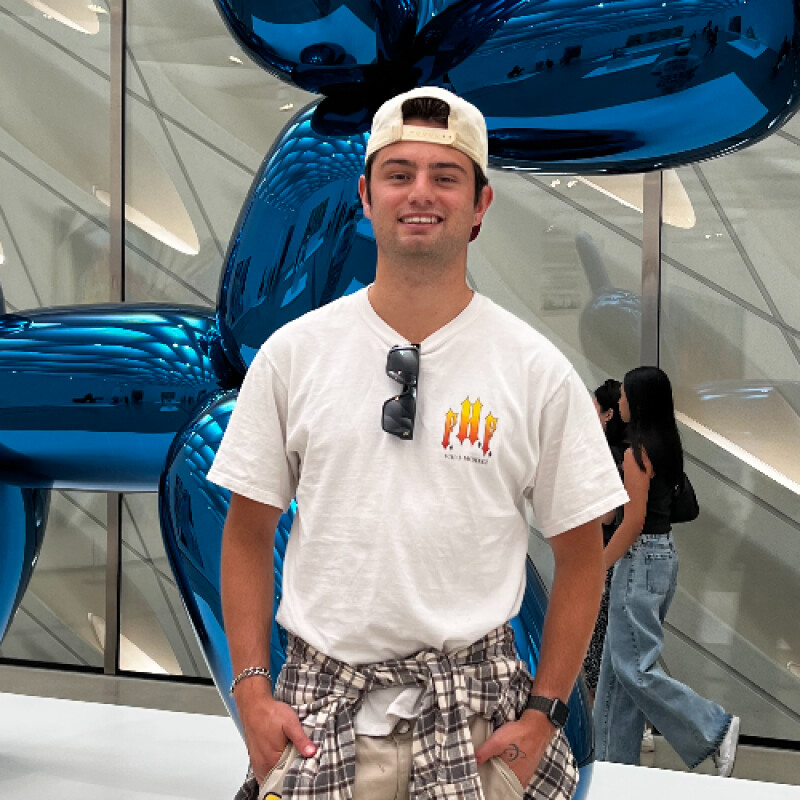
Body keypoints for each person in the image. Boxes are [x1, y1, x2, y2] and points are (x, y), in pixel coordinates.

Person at [208, 86, 628, 800]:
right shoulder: (293, 356)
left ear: (481, 205)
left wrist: (546, 712)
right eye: (398, 174)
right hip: (322, 711)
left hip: (479, 720)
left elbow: (582, 555)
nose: (420, 193)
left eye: (446, 176)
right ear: (366, 197)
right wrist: (250, 689)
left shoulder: (535, 370)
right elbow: (248, 532)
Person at [593, 366, 740, 776]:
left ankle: (713, 727)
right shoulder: (664, 447)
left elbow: (631, 523)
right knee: (616, 675)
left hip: (639, 560)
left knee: (634, 669)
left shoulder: (634, 454)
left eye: (625, 395)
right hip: (661, 558)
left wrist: (597, 568)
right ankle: (613, 768)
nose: (620, 401)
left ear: (637, 402)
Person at [581, 379, 625, 700]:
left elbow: (607, 515)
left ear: (608, 414)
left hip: (603, 555)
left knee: (596, 646)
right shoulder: (626, 451)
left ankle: (596, 720)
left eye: (594, 408)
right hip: (618, 557)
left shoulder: (606, 455)